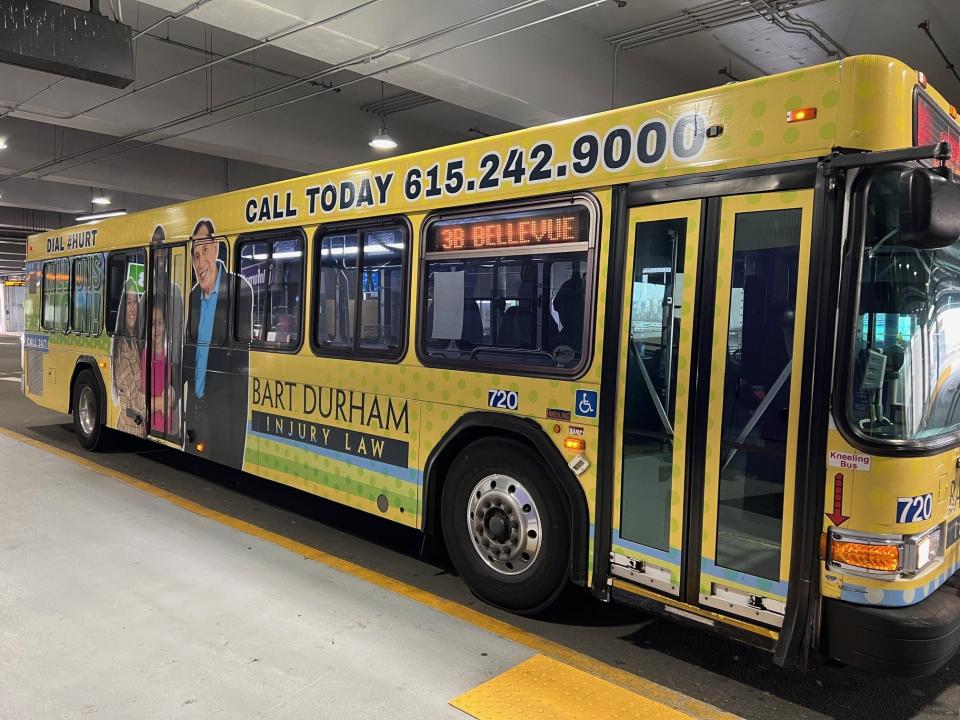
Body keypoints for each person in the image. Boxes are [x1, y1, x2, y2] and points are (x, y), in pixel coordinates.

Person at [183, 219, 253, 468]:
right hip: (196, 406)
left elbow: (240, 372)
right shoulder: (193, 296)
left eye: (204, 252)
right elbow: (189, 353)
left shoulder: (238, 289)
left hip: (223, 411)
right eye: (195, 256)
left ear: (216, 247)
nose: (200, 263)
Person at [112, 279, 146, 437]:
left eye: (135, 302)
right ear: (122, 308)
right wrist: (161, 402)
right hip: (130, 429)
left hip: (140, 427)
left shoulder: (136, 340)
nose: (133, 308)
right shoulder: (121, 348)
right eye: (128, 302)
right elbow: (136, 400)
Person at [142, 305, 176, 435]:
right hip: (151, 422)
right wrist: (163, 403)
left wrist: (171, 395)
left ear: (164, 326)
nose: (156, 329)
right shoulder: (145, 354)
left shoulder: (171, 355)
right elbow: (143, 397)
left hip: (168, 424)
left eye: (159, 323)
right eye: (152, 324)